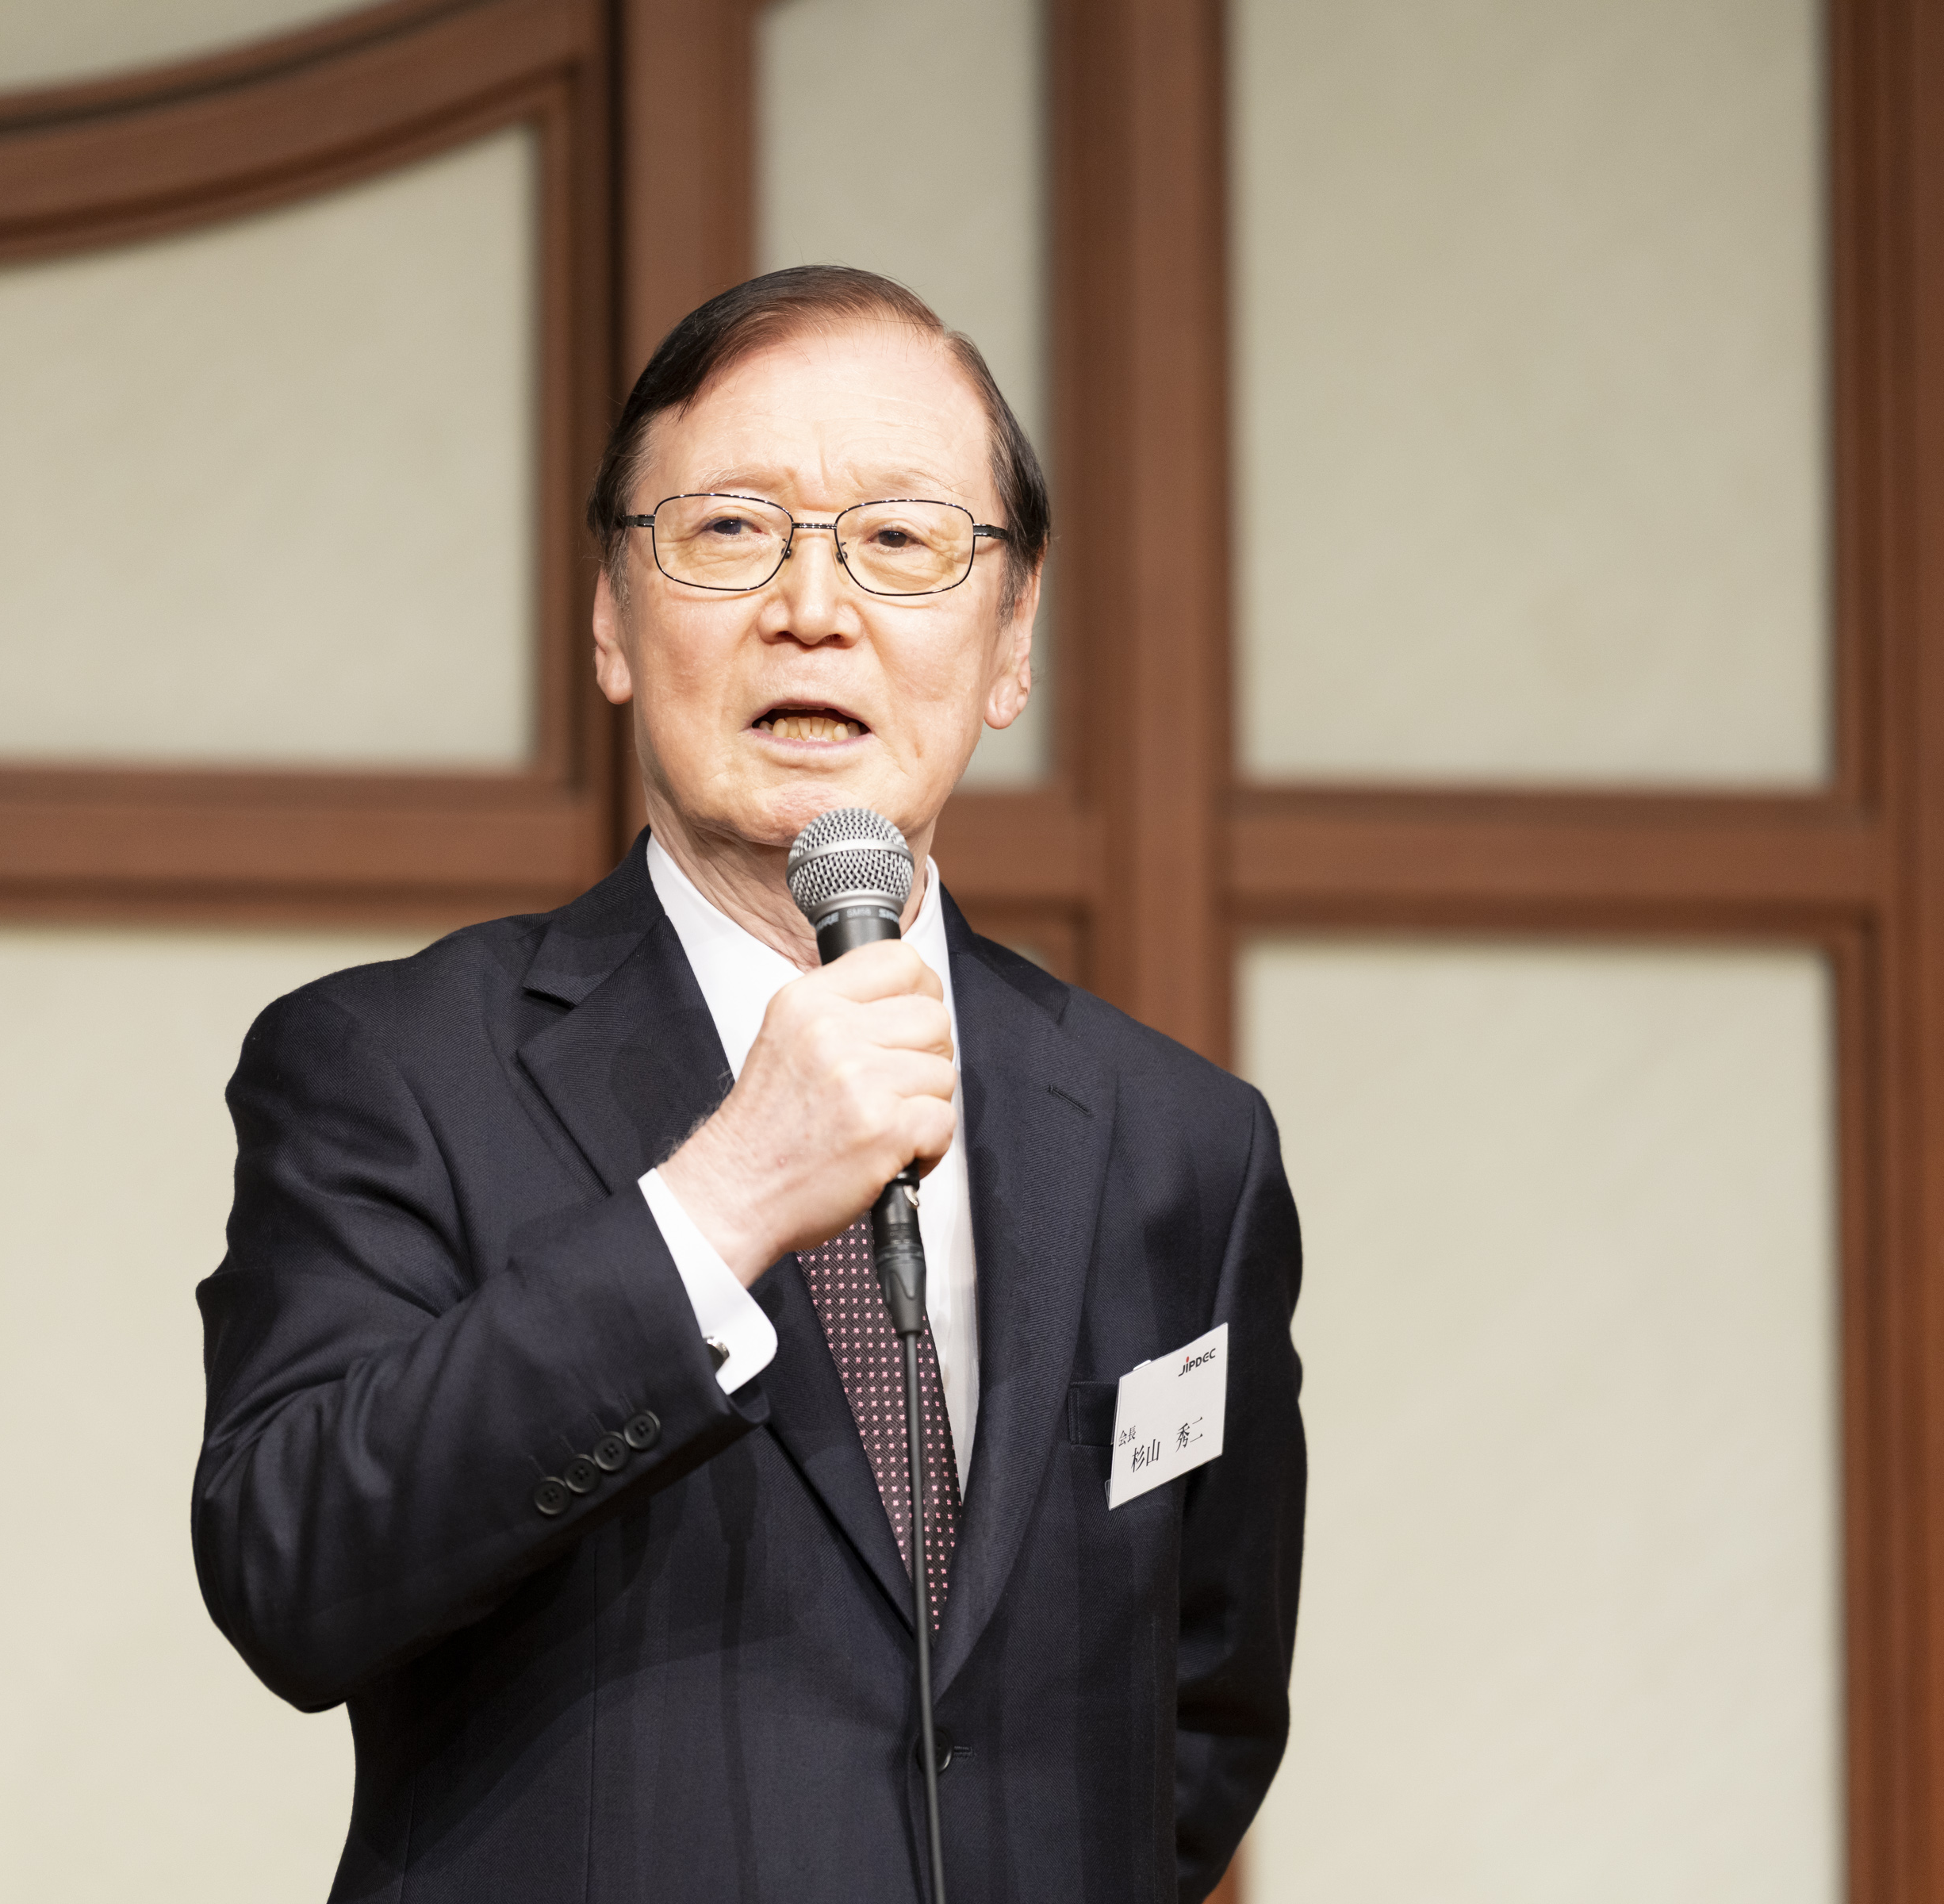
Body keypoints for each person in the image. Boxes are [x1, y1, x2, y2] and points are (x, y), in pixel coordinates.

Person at [194, 265, 1305, 1904]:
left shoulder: (1179, 1145)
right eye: (729, 531)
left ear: (1012, 642)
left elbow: (1200, 1717)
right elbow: (293, 1568)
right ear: (609, 620)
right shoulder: (395, 1068)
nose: (813, 607)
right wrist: (716, 1207)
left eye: (902, 540)